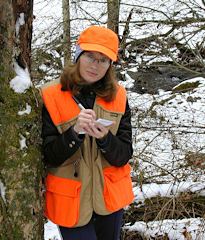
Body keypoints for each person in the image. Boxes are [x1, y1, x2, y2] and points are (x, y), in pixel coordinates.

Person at [40, 25, 134, 240]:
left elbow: (124, 155)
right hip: (70, 199)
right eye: (90, 56)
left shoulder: (119, 96)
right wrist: (74, 133)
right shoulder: (49, 95)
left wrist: (104, 139)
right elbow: (48, 156)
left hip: (109, 197)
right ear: (78, 56)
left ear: (110, 64)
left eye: (103, 60)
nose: (95, 65)